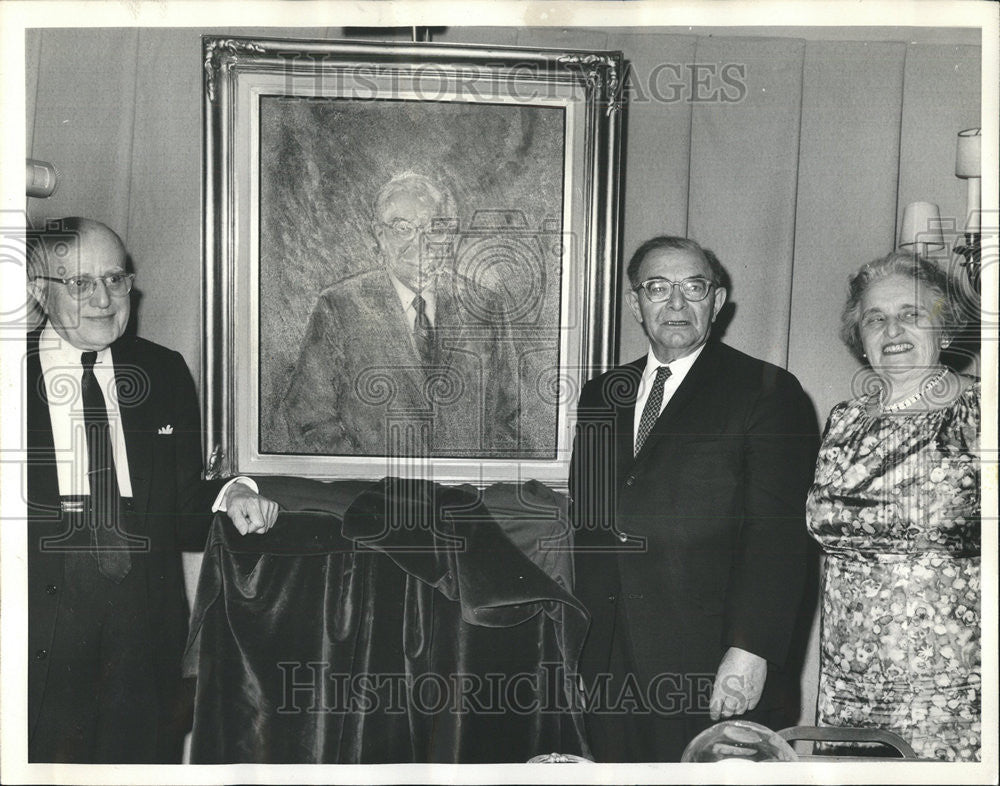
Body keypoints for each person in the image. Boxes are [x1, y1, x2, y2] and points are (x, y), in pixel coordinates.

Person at [25, 217, 279, 763]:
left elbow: (186, 504)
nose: (103, 299)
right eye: (80, 283)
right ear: (38, 292)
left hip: (143, 641)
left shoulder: (162, 372)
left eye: (115, 280)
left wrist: (233, 493)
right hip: (35, 640)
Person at [569, 235, 817, 762]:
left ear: (717, 301)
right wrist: (581, 650)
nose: (676, 303)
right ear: (636, 303)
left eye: (693, 287)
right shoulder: (601, 394)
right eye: (658, 288)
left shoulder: (768, 392)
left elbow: (779, 535)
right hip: (610, 664)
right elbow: (587, 527)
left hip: (711, 665)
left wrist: (751, 650)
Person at [807, 251, 980, 761]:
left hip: (951, 683)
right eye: (875, 319)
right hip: (849, 681)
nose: (893, 329)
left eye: (911, 314)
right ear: (861, 339)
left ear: (943, 328)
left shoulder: (980, 412)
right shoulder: (845, 420)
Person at [275, 172, 522, 457]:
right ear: (379, 234)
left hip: (465, 494)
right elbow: (309, 419)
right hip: (373, 495)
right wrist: (368, 482)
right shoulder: (338, 307)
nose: (420, 244)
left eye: (435, 228)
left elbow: (506, 418)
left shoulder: (485, 306)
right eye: (402, 228)